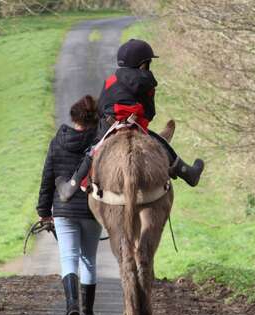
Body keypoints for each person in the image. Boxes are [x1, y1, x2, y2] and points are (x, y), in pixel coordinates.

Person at [55, 39, 205, 202]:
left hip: (110, 125)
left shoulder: (111, 80)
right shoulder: (148, 82)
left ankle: (70, 187)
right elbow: (150, 113)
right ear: (143, 64)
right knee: (160, 142)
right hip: (136, 125)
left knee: (92, 151)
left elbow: (102, 107)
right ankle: (188, 173)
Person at [37, 95, 102, 315]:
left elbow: (47, 177)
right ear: (95, 119)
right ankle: (89, 313)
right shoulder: (100, 142)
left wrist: (44, 211)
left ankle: (71, 305)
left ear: (73, 117)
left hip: (63, 209)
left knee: (68, 258)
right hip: (92, 209)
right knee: (88, 260)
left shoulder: (58, 141)